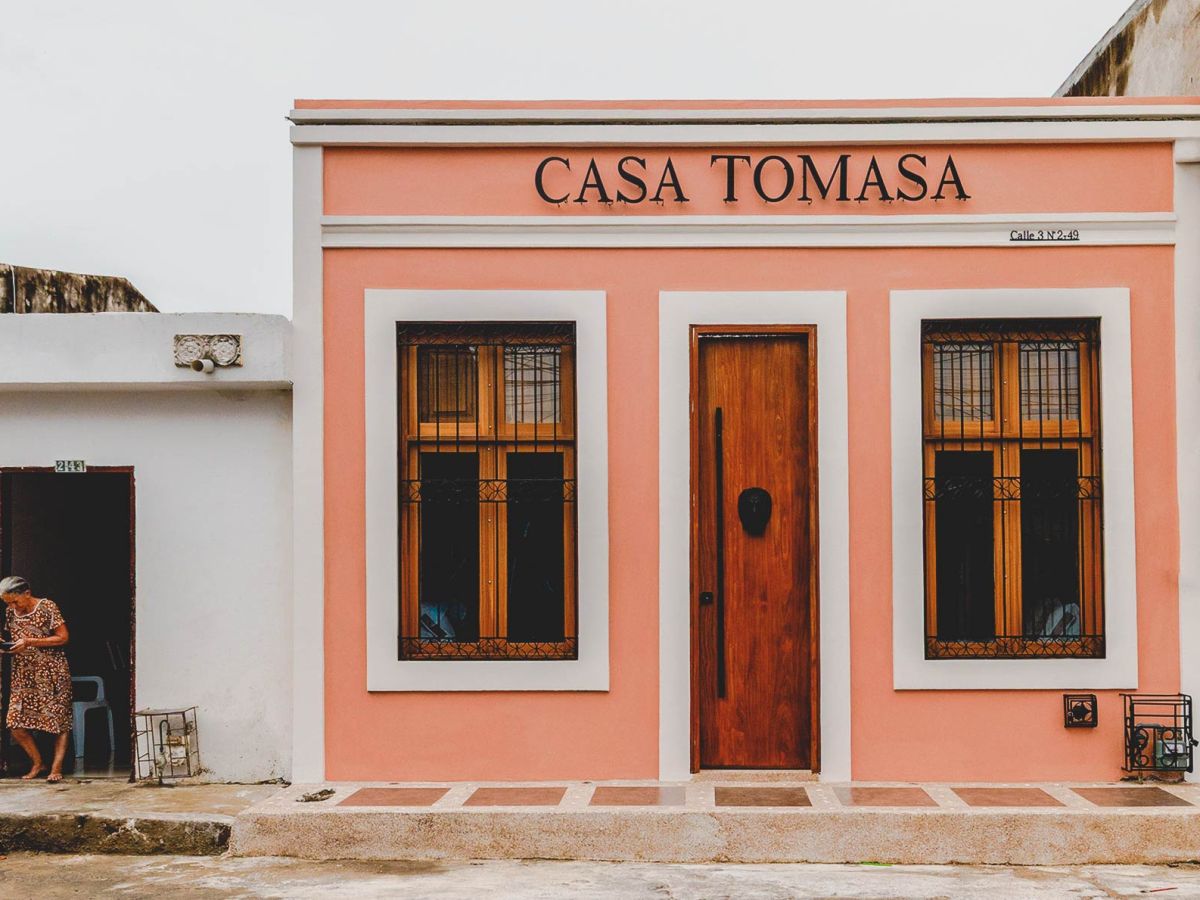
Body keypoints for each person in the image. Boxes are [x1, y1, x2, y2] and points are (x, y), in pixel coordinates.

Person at [1, 576, 71, 782]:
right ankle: (38, 763)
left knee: (58, 721)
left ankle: (56, 768)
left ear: (27, 593)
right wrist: (6, 645)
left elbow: (63, 637)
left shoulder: (47, 606)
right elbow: (14, 639)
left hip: (51, 672)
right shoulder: (9, 612)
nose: (13, 606)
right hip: (23, 675)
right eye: (8, 603)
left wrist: (30, 641)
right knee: (15, 724)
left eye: (15, 601)